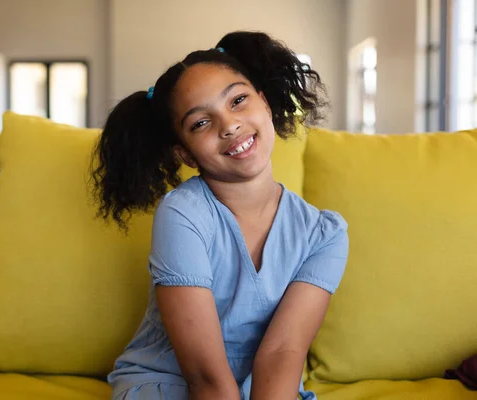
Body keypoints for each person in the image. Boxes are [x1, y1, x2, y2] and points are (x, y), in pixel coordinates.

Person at [91, 30, 349, 400]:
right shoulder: (182, 214)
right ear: (186, 155)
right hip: (170, 384)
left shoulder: (325, 235)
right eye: (200, 123)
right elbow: (204, 378)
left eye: (238, 101)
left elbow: (281, 354)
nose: (228, 126)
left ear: (265, 102)